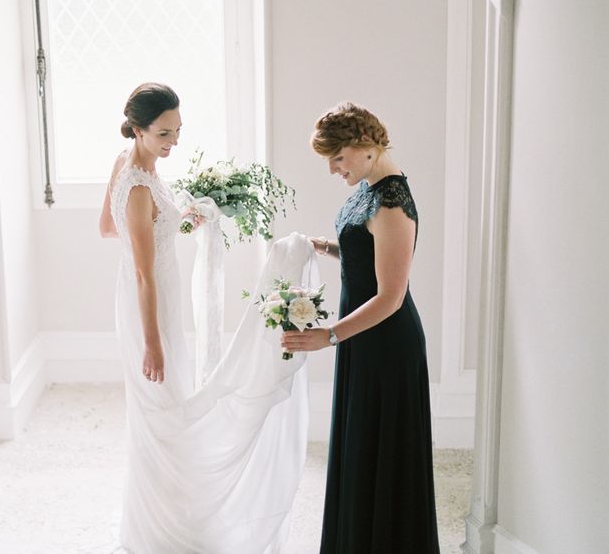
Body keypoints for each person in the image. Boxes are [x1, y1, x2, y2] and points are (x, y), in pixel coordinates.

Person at [100, 83, 314, 553]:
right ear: (137, 128)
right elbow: (142, 272)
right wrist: (152, 344)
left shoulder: (132, 162)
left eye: (177, 131)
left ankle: (174, 507)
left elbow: (106, 226)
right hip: (147, 304)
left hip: (158, 293)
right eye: (163, 134)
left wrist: (174, 221)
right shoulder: (135, 183)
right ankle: (161, 529)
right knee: (163, 407)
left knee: (167, 405)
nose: (173, 142)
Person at [282, 102, 440, 553]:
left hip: (387, 343)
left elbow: (390, 296)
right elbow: (364, 253)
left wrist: (328, 336)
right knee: (361, 450)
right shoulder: (369, 188)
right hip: (363, 339)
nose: (333, 168)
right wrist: (326, 247)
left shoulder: (392, 201)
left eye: (337, 157)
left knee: (383, 457)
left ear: (365, 146)